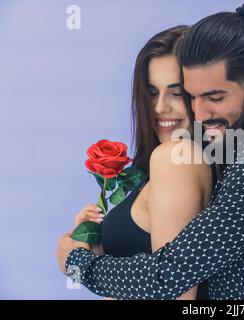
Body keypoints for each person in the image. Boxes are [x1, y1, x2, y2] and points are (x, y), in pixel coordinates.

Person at [57, 1, 244, 300]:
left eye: (214, 97)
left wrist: (74, 262)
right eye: (191, 97)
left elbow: (166, 279)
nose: (200, 113)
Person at [70, 25, 217, 300]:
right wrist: (98, 250)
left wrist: (75, 261)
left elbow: (173, 293)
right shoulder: (186, 159)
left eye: (176, 92)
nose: (160, 107)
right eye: (151, 92)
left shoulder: (176, 158)